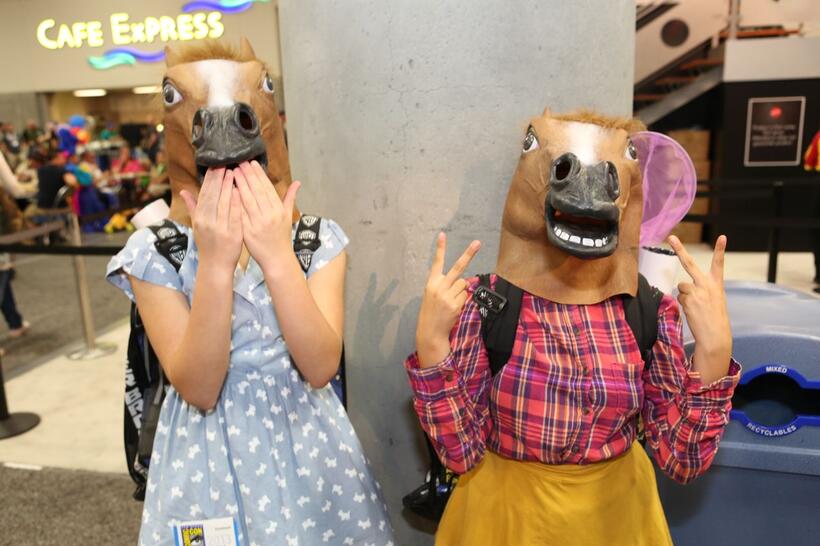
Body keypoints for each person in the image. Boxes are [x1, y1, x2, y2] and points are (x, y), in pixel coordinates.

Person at [405, 110, 740, 545]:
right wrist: (433, 345)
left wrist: (713, 353)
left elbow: (683, 460)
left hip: (616, 521)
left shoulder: (648, 312)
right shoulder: (490, 306)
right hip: (504, 520)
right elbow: (460, 453)